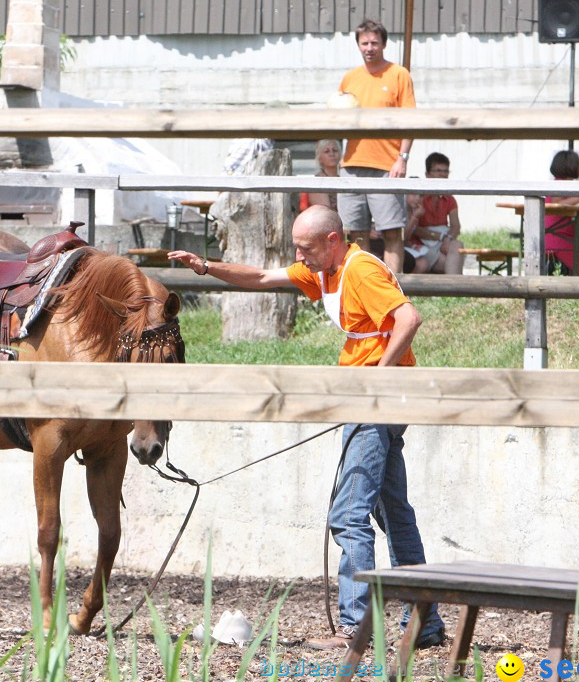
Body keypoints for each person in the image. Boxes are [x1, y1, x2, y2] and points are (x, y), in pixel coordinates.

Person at [167, 206, 446, 651]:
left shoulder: (360, 271)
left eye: (306, 247)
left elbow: (409, 320)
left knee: (349, 514)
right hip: (378, 399)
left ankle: (357, 627)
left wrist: (377, 378)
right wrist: (206, 266)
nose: (300, 255)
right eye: (297, 247)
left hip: (376, 401)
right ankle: (425, 623)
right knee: (393, 512)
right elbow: (260, 279)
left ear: (333, 240)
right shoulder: (324, 270)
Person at [335, 19, 416, 275]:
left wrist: (402, 158)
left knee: (391, 231)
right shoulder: (349, 78)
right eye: (364, 43)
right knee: (356, 235)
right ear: (358, 45)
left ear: (383, 44)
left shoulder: (398, 74)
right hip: (352, 165)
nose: (369, 48)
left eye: (374, 43)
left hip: (386, 165)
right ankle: (364, 289)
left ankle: (394, 289)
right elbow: (338, 118)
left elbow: (411, 120)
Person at [406, 153, 465, 274]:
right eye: (438, 171)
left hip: (441, 241)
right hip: (421, 243)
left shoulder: (450, 199)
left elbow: (456, 226)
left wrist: (447, 239)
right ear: (427, 174)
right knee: (448, 262)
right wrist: (440, 237)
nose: (442, 175)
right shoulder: (418, 196)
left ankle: (456, 287)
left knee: (457, 245)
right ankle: (456, 287)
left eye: (446, 171)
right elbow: (415, 230)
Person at [300, 139, 341, 212]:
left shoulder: (344, 178)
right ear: (319, 158)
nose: (332, 154)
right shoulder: (317, 182)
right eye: (326, 151)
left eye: (335, 150)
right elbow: (325, 211)